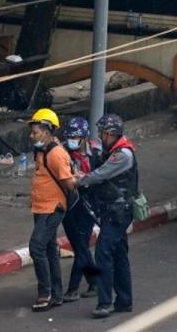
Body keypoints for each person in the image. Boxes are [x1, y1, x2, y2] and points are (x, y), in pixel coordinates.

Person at [78, 114, 138, 319]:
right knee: (119, 255)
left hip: (117, 213)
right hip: (114, 211)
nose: (101, 136)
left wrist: (79, 180)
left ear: (112, 134)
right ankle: (124, 300)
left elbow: (100, 174)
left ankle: (105, 302)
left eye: (103, 133)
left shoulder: (122, 155)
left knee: (103, 254)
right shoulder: (114, 150)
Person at [27, 108, 77, 312]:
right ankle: (56, 294)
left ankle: (44, 293)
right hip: (40, 207)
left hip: (52, 208)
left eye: (35, 132)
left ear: (47, 131)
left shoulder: (56, 154)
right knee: (48, 249)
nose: (32, 136)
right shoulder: (42, 151)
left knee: (36, 247)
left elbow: (69, 183)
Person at [61, 117, 102, 303]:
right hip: (68, 204)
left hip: (88, 204)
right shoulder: (62, 152)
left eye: (75, 137)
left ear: (84, 138)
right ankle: (94, 281)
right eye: (69, 137)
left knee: (81, 246)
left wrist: (85, 178)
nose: (72, 140)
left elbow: (102, 176)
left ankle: (73, 288)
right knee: (80, 247)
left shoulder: (96, 152)